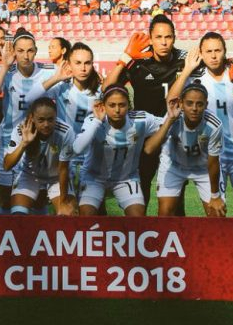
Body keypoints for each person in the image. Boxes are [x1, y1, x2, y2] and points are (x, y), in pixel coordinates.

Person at [167, 32, 233, 217]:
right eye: (209, 51)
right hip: (212, 156)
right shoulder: (195, 79)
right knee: (216, 212)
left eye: (217, 50)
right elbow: (172, 100)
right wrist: (188, 69)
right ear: (201, 53)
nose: (213, 56)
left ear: (225, 51)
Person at [103, 15, 188, 210]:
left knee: (176, 196)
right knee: (141, 190)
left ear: (174, 37)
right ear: (150, 38)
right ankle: (141, 233)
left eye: (168, 37)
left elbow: (214, 60)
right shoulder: (139, 60)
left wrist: (232, 61)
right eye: (158, 37)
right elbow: (106, 89)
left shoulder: (185, 59)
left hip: (174, 133)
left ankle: (176, 236)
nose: (164, 42)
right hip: (144, 136)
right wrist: (125, 57)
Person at [0, 29, 55, 214]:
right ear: (14, 51)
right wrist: (5, 66)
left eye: (30, 50)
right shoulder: (5, 70)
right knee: (6, 199)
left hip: (38, 143)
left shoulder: (48, 71)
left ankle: (37, 237)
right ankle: (6, 239)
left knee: (39, 199)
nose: (26, 55)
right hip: (9, 140)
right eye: (21, 51)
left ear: (36, 50)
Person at [72, 85, 163, 216]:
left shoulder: (141, 119)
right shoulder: (93, 120)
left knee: (138, 219)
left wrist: (171, 117)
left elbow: (165, 123)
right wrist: (97, 122)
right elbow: (77, 148)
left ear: (129, 105)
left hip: (126, 179)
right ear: (103, 106)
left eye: (122, 105)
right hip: (94, 178)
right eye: (112, 105)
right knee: (86, 218)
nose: (117, 110)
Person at [24, 42, 102, 194]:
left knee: (92, 202)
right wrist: (56, 78)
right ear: (69, 64)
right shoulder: (61, 86)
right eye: (78, 63)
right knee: (67, 197)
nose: (83, 68)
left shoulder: (100, 90)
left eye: (87, 63)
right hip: (65, 150)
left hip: (90, 151)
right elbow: (28, 99)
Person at [144, 83, 225, 217]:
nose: (194, 108)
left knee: (217, 214)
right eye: (189, 103)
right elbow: (149, 149)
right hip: (174, 166)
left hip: (203, 169)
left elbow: (213, 162)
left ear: (206, 104)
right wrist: (169, 120)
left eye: (199, 104)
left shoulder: (214, 125)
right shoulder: (173, 117)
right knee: (165, 214)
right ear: (181, 103)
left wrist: (215, 195)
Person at [3, 98, 77, 216]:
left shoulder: (66, 132)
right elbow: (6, 165)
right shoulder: (20, 129)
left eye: (50, 119)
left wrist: (63, 203)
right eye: (41, 120)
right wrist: (24, 144)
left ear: (56, 116)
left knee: (67, 216)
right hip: (29, 174)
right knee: (18, 216)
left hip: (57, 177)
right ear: (32, 118)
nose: (46, 124)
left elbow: (63, 169)